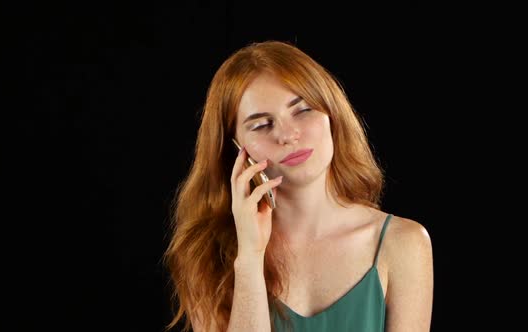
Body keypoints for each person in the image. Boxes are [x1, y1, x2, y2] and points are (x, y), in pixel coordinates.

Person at [163, 40, 433, 331]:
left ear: (332, 113)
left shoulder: (403, 243)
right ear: (234, 148)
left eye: (303, 110)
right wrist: (250, 259)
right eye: (262, 125)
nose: (288, 135)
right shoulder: (207, 255)